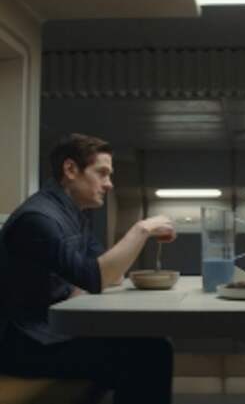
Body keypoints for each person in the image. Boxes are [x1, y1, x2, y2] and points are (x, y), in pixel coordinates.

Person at [0, 134, 177, 404]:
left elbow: (109, 273)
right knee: (151, 353)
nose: (109, 184)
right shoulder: (38, 218)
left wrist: (88, 280)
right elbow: (96, 276)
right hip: (28, 347)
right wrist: (142, 229)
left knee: (152, 343)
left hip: (51, 334)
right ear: (71, 169)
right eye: (102, 173)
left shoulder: (74, 213)